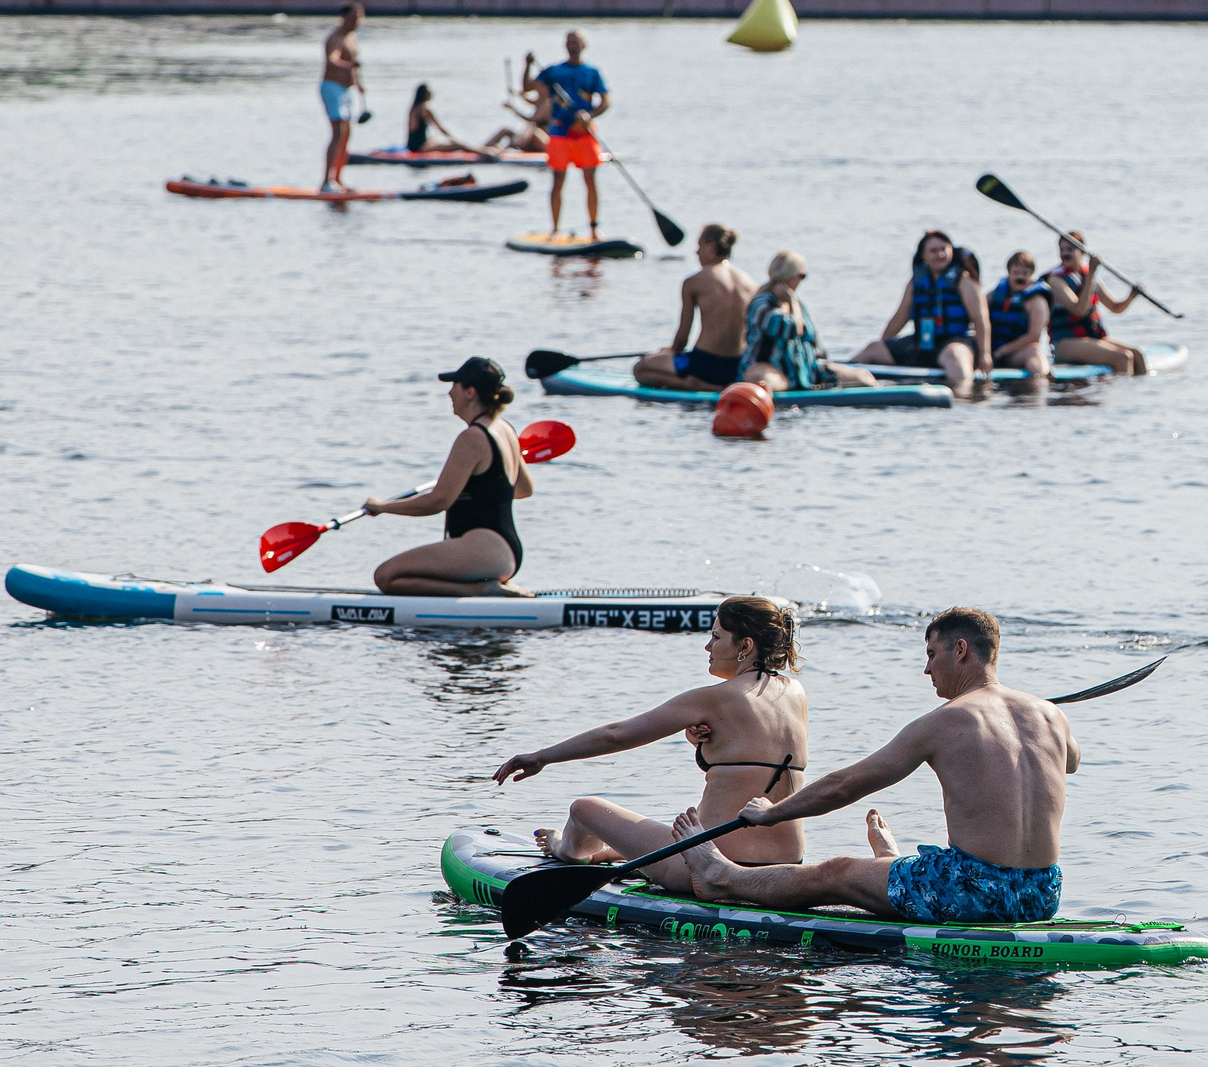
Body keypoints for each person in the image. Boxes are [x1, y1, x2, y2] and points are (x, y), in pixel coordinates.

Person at [669, 607, 1075, 926]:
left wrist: (771, 813)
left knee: (837, 872)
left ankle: (721, 875)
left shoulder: (946, 721)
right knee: (903, 872)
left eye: (931, 654)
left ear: (961, 650)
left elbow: (846, 785)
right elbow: (1070, 762)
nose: (927, 669)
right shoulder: (1050, 716)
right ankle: (889, 869)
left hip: (969, 892)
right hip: (1041, 895)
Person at [491, 596, 813, 889]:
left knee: (583, 809)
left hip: (709, 864)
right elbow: (751, 761)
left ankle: (567, 849)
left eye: (716, 637)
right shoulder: (796, 694)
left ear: (745, 646)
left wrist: (542, 757)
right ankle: (616, 852)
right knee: (684, 823)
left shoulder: (712, 699)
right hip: (784, 867)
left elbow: (615, 735)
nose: (707, 647)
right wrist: (703, 742)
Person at [365, 357, 535, 597]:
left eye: (455, 385)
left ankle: (480, 590)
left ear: (470, 392)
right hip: (507, 551)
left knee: (386, 576)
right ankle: (489, 588)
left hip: (483, 550)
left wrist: (383, 507)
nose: (449, 393)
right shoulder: (505, 429)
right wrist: (471, 484)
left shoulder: (472, 438)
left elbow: (437, 502)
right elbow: (523, 488)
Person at [853, 230, 991, 396]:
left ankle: (962, 398)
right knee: (873, 349)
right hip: (922, 344)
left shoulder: (965, 280)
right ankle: (836, 379)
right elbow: (899, 318)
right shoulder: (916, 282)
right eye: (934, 251)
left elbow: (981, 319)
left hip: (954, 342)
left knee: (955, 357)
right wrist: (884, 342)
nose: (940, 254)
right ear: (924, 256)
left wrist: (985, 355)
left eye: (944, 249)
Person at [635, 223, 759, 391]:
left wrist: (669, 352)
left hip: (702, 364)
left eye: (699, 246)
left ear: (711, 246)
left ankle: (692, 384)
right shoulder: (750, 283)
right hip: (737, 366)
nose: (696, 252)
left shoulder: (693, 282)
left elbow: (682, 339)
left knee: (641, 369)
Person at [745, 250, 878, 392]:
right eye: (802, 276)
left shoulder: (799, 305)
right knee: (765, 382)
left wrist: (828, 368)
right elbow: (793, 329)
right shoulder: (762, 304)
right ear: (791, 277)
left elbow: (816, 344)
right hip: (775, 369)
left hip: (806, 370)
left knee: (865, 378)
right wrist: (792, 301)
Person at [535, 30, 610, 238]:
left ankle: (594, 229)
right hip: (559, 134)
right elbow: (530, 87)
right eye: (569, 42)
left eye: (576, 42)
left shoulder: (592, 72)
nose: (573, 45)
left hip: (584, 134)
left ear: (584, 45)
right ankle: (555, 230)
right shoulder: (553, 71)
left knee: (590, 181)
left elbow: (606, 101)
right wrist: (527, 66)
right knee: (557, 181)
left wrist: (590, 114)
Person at [1044, 232, 1146, 376]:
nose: (1065, 254)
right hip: (1065, 343)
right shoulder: (1056, 280)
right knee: (1123, 357)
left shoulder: (1089, 278)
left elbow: (1115, 308)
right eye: (1062, 249)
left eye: (1070, 249)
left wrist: (1131, 296)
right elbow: (1079, 311)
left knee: (1137, 355)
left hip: (1091, 339)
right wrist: (1091, 274)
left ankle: (1143, 389)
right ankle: (1123, 390)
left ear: (1082, 252)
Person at [318, 1, 364, 189]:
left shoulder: (352, 37)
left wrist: (358, 84)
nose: (357, 22)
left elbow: (353, 63)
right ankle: (325, 181)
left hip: (346, 90)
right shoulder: (335, 37)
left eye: (359, 18)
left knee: (346, 135)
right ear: (344, 18)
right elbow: (333, 60)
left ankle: (337, 179)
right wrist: (349, 66)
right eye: (354, 18)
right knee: (337, 133)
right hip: (332, 87)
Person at [987, 250, 1054, 379]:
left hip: (1016, 354)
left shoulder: (1037, 302)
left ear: (1031, 275)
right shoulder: (994, 295)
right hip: (991, 351)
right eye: (1016, 273)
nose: (1020, 277)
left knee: (1034, 350)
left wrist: (1003, 350)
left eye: (1025, 273)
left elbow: (1034, 336)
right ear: (1008, 273)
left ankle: (1040, 378)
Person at [484, 56, 550, 153]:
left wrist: (512, 109)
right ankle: (481, 149)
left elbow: (531, 119)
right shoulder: (540, 100)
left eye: (538, 85)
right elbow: (529, 99)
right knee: (505, 130)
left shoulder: (548, 103)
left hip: (542, 141)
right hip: (528, 139)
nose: (536, 87)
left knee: (532, 129)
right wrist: (516, 93)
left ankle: (505, 150)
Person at [403, 83, 474, 155]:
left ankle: (474, 148)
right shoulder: (425, 110)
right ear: (424, 94)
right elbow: (440, 128)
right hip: (420, 148)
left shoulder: (413, 109)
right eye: (429, 92)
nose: (431, 93)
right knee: (458, 145)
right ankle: (478, 152)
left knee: (433, 139)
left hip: (411, 146)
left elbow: (414, 132)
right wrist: (454, 140)